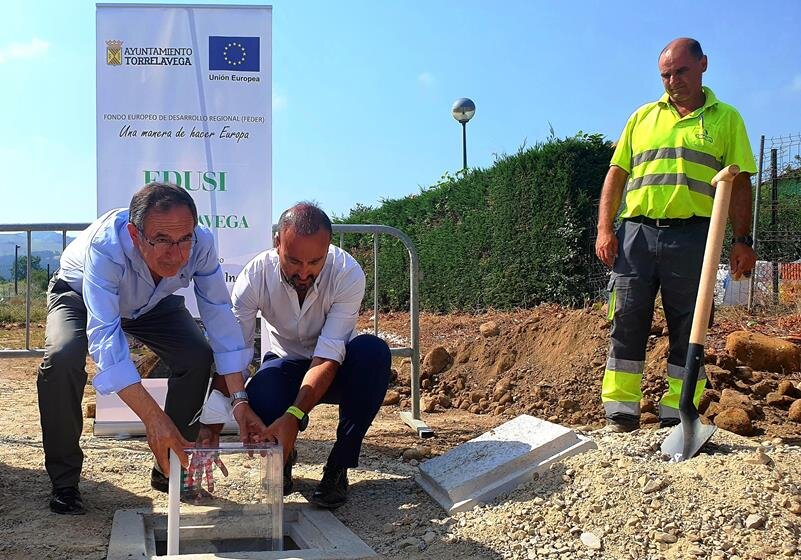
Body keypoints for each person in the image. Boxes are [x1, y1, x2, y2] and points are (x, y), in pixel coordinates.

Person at [37, 182, 267, 515]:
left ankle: (171, 467)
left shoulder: (200, 242)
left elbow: (219, 314)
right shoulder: (106, 246)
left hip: (151, 303)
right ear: (134, 233)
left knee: (196, 354)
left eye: (184, 239)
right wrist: (152, 420)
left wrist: (240, 401)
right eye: (161, 240)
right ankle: (65, 480)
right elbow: (105, 337)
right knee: (63, 357)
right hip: (79, 295)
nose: (176, 254)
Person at [594, 38, 757, 432]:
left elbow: (740, 183)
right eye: (665, 74)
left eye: (680, 71)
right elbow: (616, 175)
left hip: (695, 236)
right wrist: (604, 228)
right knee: (627, 317)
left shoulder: (726, 119)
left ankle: (676, 413)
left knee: (690, 324)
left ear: (703, 65)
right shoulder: (642, 117)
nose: (672, 81)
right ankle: (621, 411)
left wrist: (742, 239)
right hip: (636, 234)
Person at [195, 202, 391, 509]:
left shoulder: (347, 273)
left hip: (335, 368)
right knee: (262, 388)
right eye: (293, 260)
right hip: (284, 366)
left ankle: (338, 467)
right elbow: (234, 354)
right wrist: (213, 425)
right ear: (277, 244)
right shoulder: (255, 276)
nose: (303, 273)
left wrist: (294, 416)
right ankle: (282, 455)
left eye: (315, 262)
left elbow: (327, 356)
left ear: (328, 249)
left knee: (373, 354)